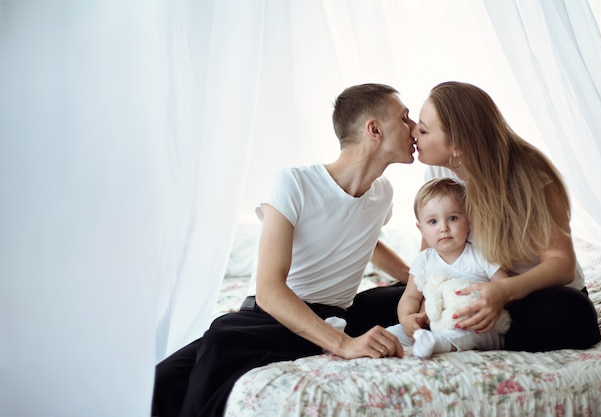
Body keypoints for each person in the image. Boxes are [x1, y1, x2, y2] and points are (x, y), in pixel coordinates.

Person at [152, 83, 416, 417]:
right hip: (274, 316)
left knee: (414, 293)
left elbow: (368, 240)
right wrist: (343, 344)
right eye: (404, 117)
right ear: (374, 129)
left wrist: (415, 277)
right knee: (162, 384)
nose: (414, 126)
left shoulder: (383, 194)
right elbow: (269, 291)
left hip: (338, 313)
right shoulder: (294, 183)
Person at [412, 81, 601, 352]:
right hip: (467, 289)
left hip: (529, 293)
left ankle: (484, 336)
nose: (414, 133)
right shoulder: (439, 173)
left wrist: (503, 292)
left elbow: (561, 264)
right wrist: (421, 305)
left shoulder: (532, 176)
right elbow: (432, 254)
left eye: (424, 129)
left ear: (457, 145)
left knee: (570, 312)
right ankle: (467, 333)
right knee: (369, 307)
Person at [386, 177, 510, 358]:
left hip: (475, 325)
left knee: (469, 334)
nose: (443, 228)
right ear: (421, 229)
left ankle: (437, 343)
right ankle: (356, 337)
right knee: (392, 334)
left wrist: (489, 302)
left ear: (468, 222)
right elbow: (411, 296)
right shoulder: (423, 261)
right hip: (434, 324)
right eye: (432, 222)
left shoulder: (481, 256)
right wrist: (406, 318)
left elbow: (506, 288)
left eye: (452, 218)